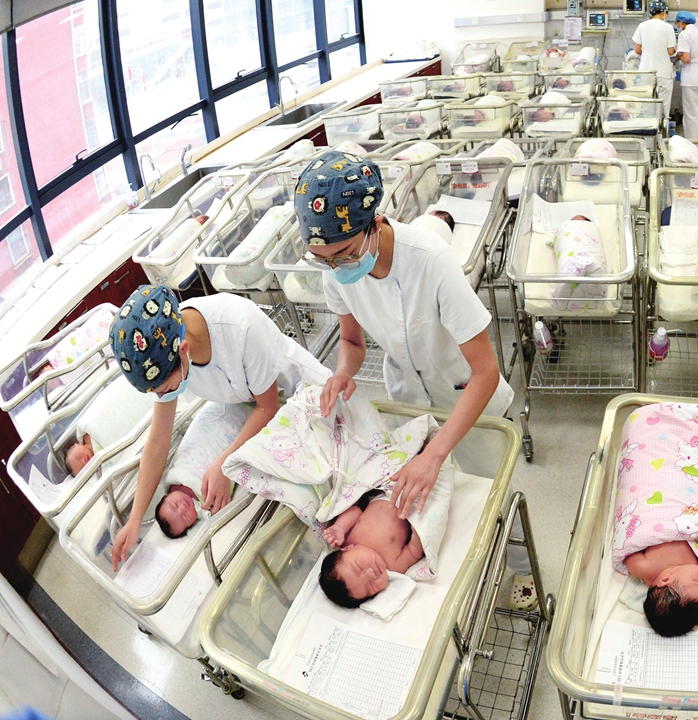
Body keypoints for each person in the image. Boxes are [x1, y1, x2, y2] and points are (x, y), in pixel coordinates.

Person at [295, 149, 513, 528]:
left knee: (489, 497)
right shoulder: (336, 271)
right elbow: (352, 341)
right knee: (424, 505)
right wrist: (344, 372)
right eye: (323, 259)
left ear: (375, 224)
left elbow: (485, 372)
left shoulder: (432, 262)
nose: (335, 268)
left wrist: (434, 456)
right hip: (410, 401)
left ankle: (518, 566)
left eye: (344, 254)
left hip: (466, 394)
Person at [108, 285, 332, 570]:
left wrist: (224, 462)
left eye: (168, 389)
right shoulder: (164, 351)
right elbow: (159, 438)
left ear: (184, 351)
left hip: (303, 394)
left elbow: (269, 406)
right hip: (255, 408)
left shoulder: (240, 326)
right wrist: (135, 519)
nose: (166, 396)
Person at [613, 402, 698, 637]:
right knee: (697, 467)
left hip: (659, 500)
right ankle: (696, 423)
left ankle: (653, 424)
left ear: (664, 579)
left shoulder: (641, 568)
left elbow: (630, 536)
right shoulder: (697, 562)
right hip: (690, 504)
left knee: (652, 463)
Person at [319, 489, 427, 606]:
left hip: (385, 489)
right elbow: (414, 552)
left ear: (346, 549)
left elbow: (355, 510)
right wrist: (418, 532)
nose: (372, 574)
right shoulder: (394, 566)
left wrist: (340, 527)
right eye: (370, 586)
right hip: (412, 502)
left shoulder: (349, 539)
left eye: (359, 567)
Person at [674, 11, 698, 140]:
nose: (678, 25)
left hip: (692, 78)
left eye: (678, 23)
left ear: (681, 22)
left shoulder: (684, 35)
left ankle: (692, 144)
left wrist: (677, 55)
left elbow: (686, 58)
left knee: (691, 114)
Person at [632, 1, 677, 113]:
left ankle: (648, 127)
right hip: (663, 73)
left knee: (647, 104)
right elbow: (671, 51)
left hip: (646, 71)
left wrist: (649, 52)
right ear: (663, 12)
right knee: (663, 105)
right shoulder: (668, 27)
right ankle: (662, 127)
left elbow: (637, 50)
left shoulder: (642, 26)